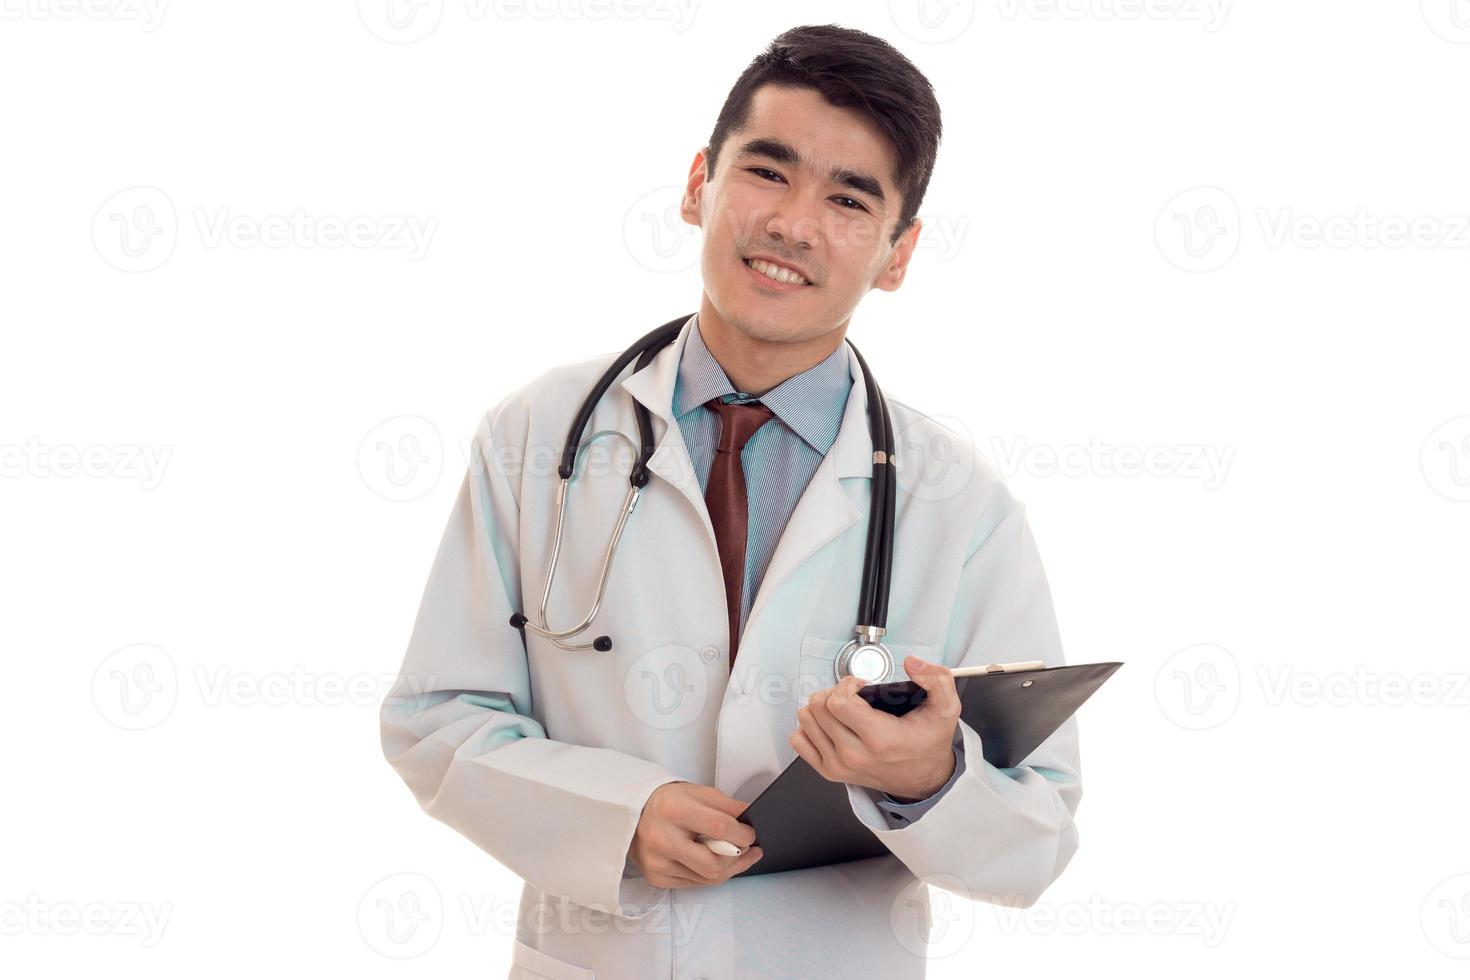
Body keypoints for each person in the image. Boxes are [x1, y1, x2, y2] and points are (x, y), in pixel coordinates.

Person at [380, 24, 1083, 979]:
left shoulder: (959, 501)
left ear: (897, 253)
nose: (793, 224)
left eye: (848, 198)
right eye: (767, 171)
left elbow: (1039, 836)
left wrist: (929, 778)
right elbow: (437, 718)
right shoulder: (538, 437)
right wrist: (617, 816)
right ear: (697, 184)